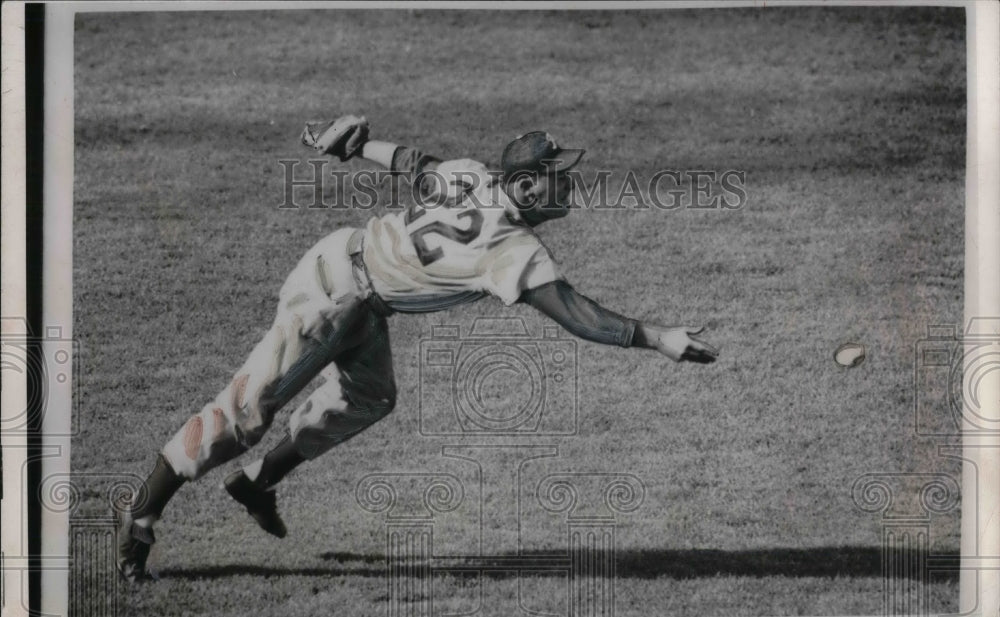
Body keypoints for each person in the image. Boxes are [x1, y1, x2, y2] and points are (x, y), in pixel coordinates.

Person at [115, 115, 719, 582]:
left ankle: (257, 483)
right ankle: (141, 515)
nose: (570, 182)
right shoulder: (513, 250)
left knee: (371, 397)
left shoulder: (472, 174)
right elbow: (578, 316)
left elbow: (413, 162)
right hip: (334, 298)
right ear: (528, 183)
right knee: (248, 410)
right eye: (559, 174)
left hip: (348, 272)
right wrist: (660, 338)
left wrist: (352, 146)